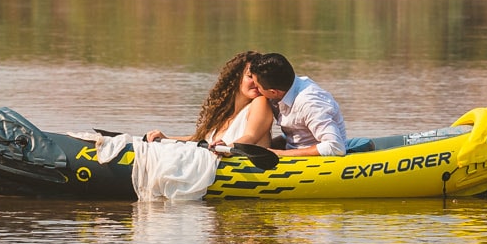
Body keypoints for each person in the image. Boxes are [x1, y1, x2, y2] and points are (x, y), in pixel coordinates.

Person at [145, 51, 346, 157]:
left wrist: (281, 153)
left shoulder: (305, 102)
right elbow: (203, 140)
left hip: (313, 161)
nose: (257, 86)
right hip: (289, 151)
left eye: (257, 81)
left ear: (272, 92)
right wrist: (168, 139)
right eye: (251, 77)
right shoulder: (274, 95)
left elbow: (335, 147)